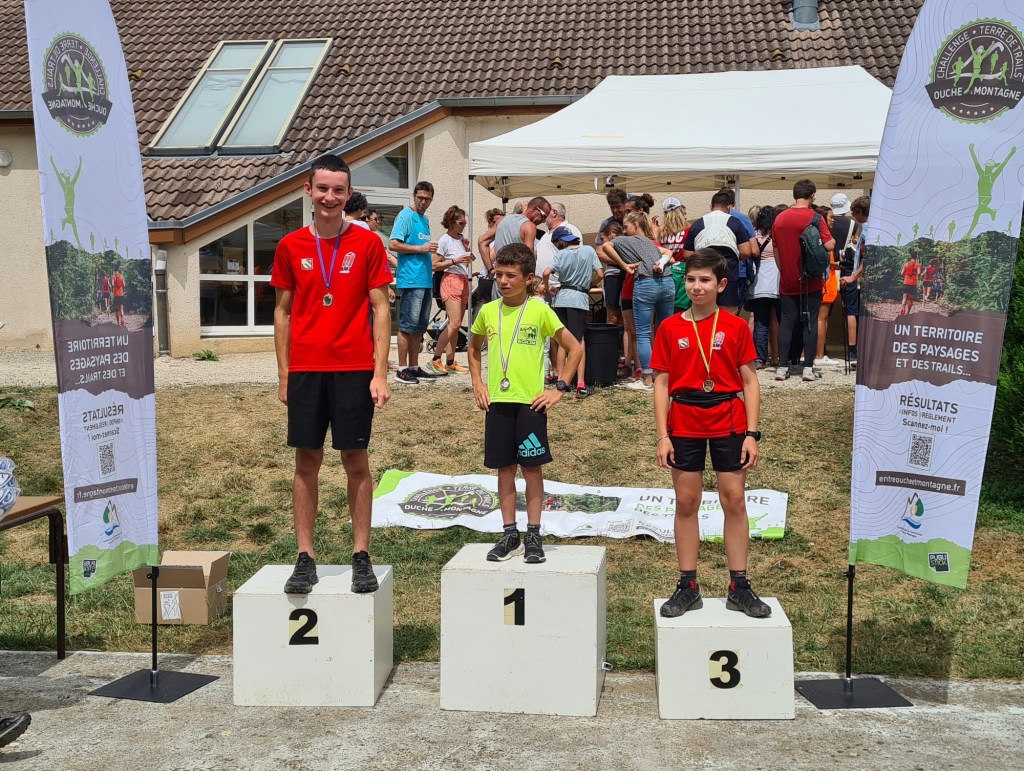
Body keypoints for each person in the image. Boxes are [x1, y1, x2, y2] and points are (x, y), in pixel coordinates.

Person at [271, 153, 393, 594]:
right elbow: (282, 313)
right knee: (307, 463)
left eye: (338, 190)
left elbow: (381, 309)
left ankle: (361, 555)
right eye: (322, 188)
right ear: (308, 190)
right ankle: (305, 557)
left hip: (354, 369)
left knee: (355, 461)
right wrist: (284, 373)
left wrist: (380, 372)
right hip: (307, 370)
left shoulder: (367, 243)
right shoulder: (290, 246)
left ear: (348, 193)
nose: (329, 197)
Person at [651, 248, 770, 619]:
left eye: (705, 280)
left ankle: (739, 586)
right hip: (684, 420)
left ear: (721, 285)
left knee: (734, 499)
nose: (697, 287)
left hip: (728, 419)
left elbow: (750, 382)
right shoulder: (670, 327)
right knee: (686, 502)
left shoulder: (735, 326)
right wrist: (662, 435)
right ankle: (688, 585)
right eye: (691, 279)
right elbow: (661, 383)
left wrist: (752, 433)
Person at [468, 243, 583, 563]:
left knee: (531, 469)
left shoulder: (539, 310)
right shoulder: (488, 311)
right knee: (504, 469)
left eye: (510, 276)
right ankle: (509, 534)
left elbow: (574, 348)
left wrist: (560, 388)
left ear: (528, 278)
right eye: (498, 275)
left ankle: (534, 533)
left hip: (531, 404)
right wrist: (478, 383)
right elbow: (473, 349)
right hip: (498, 403)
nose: (503, 281)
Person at [602, 211, 674, 391]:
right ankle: (667, 375)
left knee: (643, 333)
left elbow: (606, 246)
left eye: (626, 226)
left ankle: (648, 379)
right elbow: (670, 254)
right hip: (667, 283)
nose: (624, 231)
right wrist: (661, 263)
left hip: (645, 283)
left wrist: (624, 265)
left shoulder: (625, 240)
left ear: (636, 225)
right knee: (665, 330)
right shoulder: (651, 242)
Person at [771, 179, 835, 383]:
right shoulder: (815, 218)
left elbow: (776, 249)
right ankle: (808, 367)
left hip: (787, 278)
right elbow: (829, 245)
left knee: (787, 322)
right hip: (810, 279)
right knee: (810, 321)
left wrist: (784, 270)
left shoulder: (779, 219)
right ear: (812, 195)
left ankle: (782, 367)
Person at [390, 182, 441, 384]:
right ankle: (402, 369)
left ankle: (413, 366)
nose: (423, 202)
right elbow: (393, 244)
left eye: (427, 199)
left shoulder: (424, 219)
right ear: (414, 196)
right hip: (411, 278)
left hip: (425, 279)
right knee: (407, 325)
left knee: (419, 327)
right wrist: (421, 249)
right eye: (420, 197)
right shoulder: (406, 216)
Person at [544, 225, 603, 397]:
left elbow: (546, 272)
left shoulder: (560, 254)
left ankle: (563, 380)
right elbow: (600, 273)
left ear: (560, 242)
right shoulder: (589, 250)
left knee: (563, 339)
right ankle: (580, 383)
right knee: (578, 341)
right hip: (578, 298)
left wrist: (547, 287)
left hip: (561, 297)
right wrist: (589, 284)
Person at [681, 191, 754, 314]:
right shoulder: (735, 222)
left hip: (704, 264)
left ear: (711, 206)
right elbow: (746, 251)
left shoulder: (698, 223)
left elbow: (687, 255)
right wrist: (735, 258)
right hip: (728, 265)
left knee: (703, 306)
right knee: (729, 309)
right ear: (729, 207)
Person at [428, 205, 473, 375]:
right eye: (462, 222)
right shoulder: (444, 240)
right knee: (453, 323)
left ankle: (450, 361)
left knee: (456, 324)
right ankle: (435, 359)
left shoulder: (461, 239)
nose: (464, 225)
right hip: (451, 280)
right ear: (452, 222)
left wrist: (467, 251)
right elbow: (434, 265)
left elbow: (467, 260)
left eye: (465, 222)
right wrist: (454, 261)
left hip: (462, 280)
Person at [747, 205, 781, 368]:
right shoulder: (777, 234)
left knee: (761, 323)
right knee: (780, 320)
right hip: (777, 280)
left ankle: (760, 358)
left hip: (759, 283)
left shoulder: (754, 235)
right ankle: (781, 355)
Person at [840, 195, 870, 368]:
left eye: (854, 212)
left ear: (860, 212)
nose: (852, 216)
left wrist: (853, 276)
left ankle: (857, 352)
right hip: (863, 278)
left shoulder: (867, 229)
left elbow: (868, 257)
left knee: (855, 313)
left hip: (862, 278)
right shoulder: (871, 227)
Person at [595, 188, 628, 327]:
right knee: (612, 316)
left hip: (632, 275)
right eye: (612, 207)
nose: (615, 211)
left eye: (618, 207)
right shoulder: (606, 224)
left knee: (627, 316)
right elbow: (600, 252)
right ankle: (611, 341)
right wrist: (622, 263)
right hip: (613, 274)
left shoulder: (633, 222)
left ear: (625, 204)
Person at [814, 206, 842, 367]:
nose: (833, 220)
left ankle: (813, 353)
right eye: (830, 217)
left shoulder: (817, 236)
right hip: (825, 284)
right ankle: (819, 355)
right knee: (821, 319)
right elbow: (823, 262)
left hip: (824, 283)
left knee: (818, 319)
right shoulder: (823, 238)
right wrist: (835, 264)